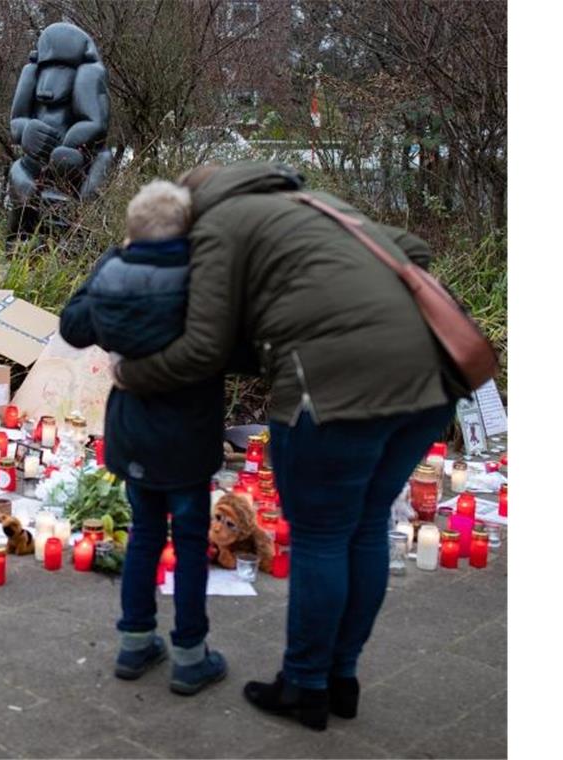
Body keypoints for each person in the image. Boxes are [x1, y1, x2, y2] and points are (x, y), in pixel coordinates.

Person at [113, 161, 460, 730]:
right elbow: (413, 250)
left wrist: (134, 375)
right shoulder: (320, 206)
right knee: (368, 523)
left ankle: (304, 686)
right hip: (431, 382)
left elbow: (203, 347)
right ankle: (340, 677)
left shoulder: (220, 226)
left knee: (323, 536)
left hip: (336, 390)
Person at [60, 180, 228, 696]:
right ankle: (190, 654)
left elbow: (73, 326)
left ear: (134, 231)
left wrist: (111, 258)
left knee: (144, 536)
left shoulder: (113, 274)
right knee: (192, 542)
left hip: (133, 431)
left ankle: (135, 641)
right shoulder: (200, 279)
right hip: (189, 433)